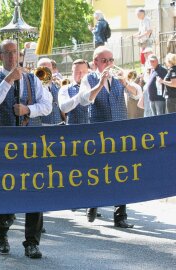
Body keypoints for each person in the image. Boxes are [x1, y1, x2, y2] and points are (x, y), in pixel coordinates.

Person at [0, 39, 52, 259]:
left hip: (31, 145)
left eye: (15, 52)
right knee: (4, 189)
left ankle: (32, 242)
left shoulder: (33, 79)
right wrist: (8, 81)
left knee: (35, 190)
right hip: (4, 145)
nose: (13, 57)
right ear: (0, 55)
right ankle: (2, 232)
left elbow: (47, 106)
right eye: (8, 53)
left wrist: (28, 109)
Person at [79, 46, 139, 229]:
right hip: (99, 133)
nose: (109, 64)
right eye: (105, 61)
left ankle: (120, 216)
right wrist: (100, 84)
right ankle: (93, 203)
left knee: (121, 173)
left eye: (111, 60)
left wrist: (126, 84)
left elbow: (137, 94)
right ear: (95, 62)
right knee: (97, 171)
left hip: (120, 132)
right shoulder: (88, 78)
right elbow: (84, 100)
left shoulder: (120, 78)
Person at [58, 59, 90, 124]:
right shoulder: (65, 89)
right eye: (77, 72)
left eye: (83, 72)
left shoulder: (93, 87)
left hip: (93, 129)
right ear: (72, 73)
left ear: (88, 72)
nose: (81, 75)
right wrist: (81, 95)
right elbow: (64, 108)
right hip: (73, 129)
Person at [37, 57, 64, 125]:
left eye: (49, 69)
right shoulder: (34, 86)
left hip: (58, 122)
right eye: (44, 69)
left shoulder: (57, 84)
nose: (47, 72)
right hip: (42, 124)